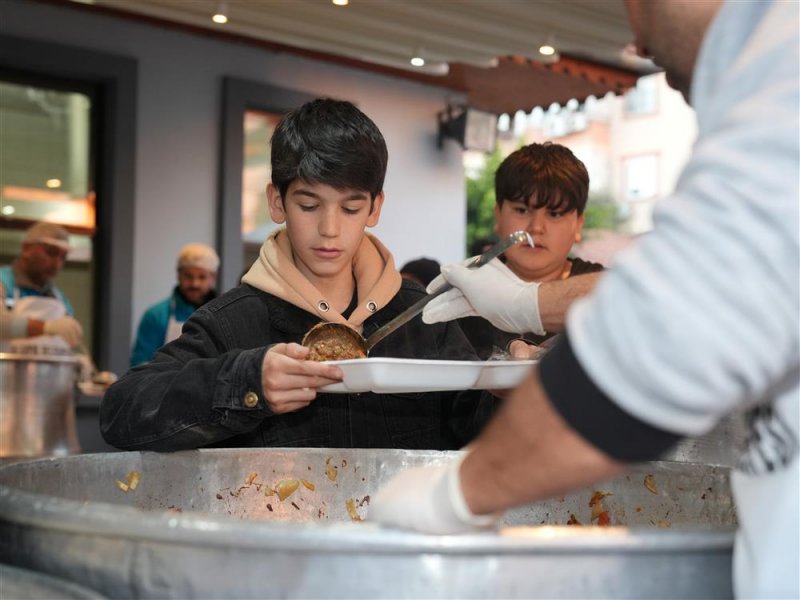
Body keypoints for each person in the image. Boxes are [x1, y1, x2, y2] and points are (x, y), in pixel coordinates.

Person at [369, 1, 799, 598]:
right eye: (521, 210)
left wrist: (454, 495)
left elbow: (667, 327)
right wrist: (529, 305)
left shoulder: (785, 75)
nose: (636, 35)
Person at [101, 98, 491, 452]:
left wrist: (514, 381)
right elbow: (121, 412)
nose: (330, 229)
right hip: (278, 529)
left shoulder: (422, 319)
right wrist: (247, 382)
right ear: (277, 201)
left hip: (396, 530)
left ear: (375, 208)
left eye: (351, 209)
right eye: (309, 205)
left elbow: (483, 428)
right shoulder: (232, 323)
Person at [449, 143, 604, 359]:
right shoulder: (461, 294)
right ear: (498, 216)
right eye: (522, 210)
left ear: (578, 224)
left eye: (555, 213)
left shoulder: (608, 289)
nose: (536, 228)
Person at [130, 243, 219, 366]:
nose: (195, 284)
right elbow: (139, 365)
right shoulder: (155, 316)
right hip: (164, 384)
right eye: (188, 276)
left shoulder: (222, 316)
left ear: (213, 278)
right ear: (178, 275)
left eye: (202, 277)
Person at [0, 222, 83, 351]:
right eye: (51, 253)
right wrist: (46, 327)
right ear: (26, 249)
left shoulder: (59, 299)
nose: (57, 264)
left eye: (63, 257)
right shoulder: (3, 281)